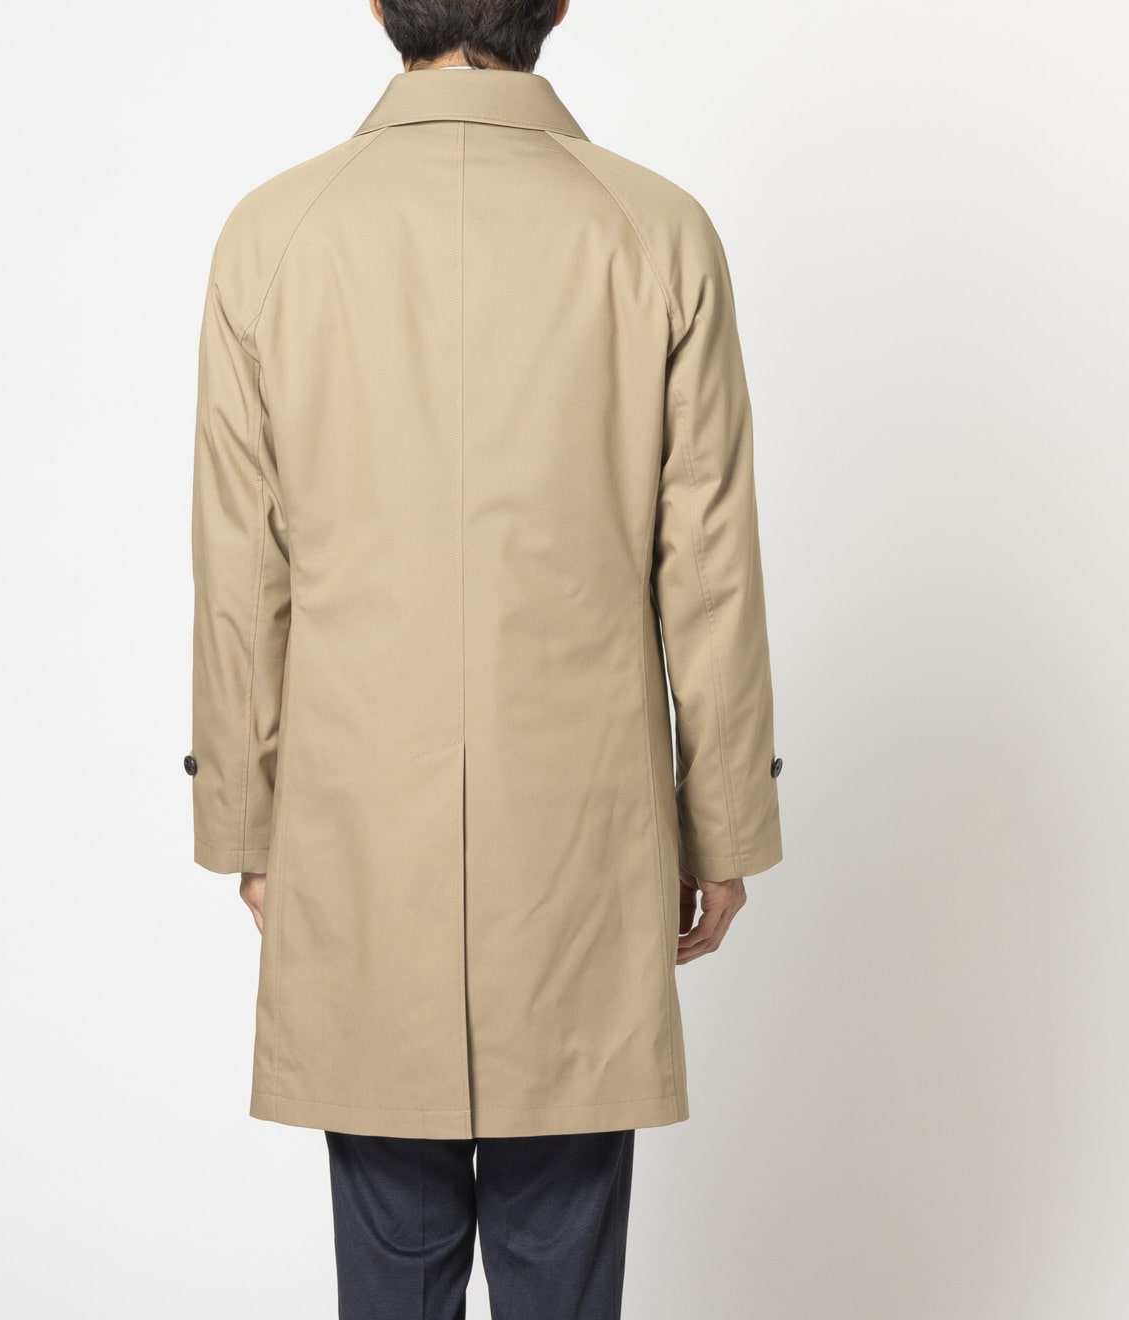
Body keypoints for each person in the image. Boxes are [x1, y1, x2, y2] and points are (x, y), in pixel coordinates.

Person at [185, 2, 784, 1314]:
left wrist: (247, 822)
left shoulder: (275, 235)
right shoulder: (657, 231)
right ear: (555, 4)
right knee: (563, 1248)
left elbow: (242, 569)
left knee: (389, 1252)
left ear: (379, 5)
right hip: (581, 834)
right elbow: (708, 568)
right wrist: (725, 825)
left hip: (357, 826)